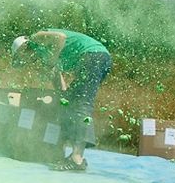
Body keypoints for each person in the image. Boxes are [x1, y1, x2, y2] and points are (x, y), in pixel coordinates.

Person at [11, 29, 111, 172]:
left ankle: (76, 158)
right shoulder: (41, 58)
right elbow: (57, 77)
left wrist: (53, 59)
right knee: (72, 102)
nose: (25, 62)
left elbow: (61, 37)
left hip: (93, 55)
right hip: (95, 57)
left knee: (82, 105)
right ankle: (71, 153)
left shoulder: (35, 38)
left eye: (22, 58)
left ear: (23, 48)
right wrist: (64, 98)